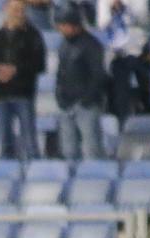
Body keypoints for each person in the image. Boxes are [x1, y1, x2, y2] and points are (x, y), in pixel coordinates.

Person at [0, 0, 47, 161]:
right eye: (15, 9)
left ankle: (33, 173)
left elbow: (39, 64)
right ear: (6, 9)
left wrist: (16, 70)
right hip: (1, 94)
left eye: (21, 10)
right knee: (5, 142)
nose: (18, 13)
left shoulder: (33, 36)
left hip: (23, 93)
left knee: (29, 141)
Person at [54, 4, 108, 160]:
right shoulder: (63, 45)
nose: (61, 29)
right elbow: (60, 73)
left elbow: (98, 76)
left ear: (75, 24)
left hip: (87, 105)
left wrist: (86, 100)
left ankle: (96, 181)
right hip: (66, 104)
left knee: (92, 148)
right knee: (69, 150)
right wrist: (60, 96)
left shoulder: (91, 45)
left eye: (64, 25)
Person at [101, 0, 150, 122]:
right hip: (116, 53)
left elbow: (143, 19)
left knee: (148, 81)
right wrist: (112, 11)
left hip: (139, 49)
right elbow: (102, 23)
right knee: (118, 86)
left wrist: (125, 8)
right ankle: (121, 120)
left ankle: (148, 115)